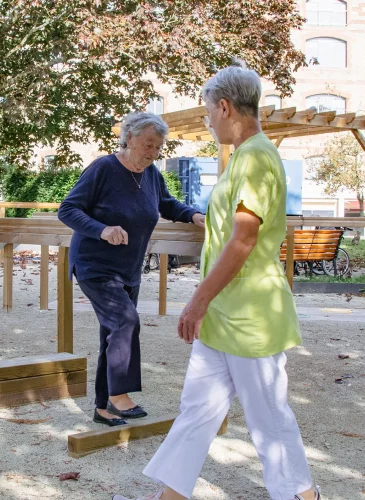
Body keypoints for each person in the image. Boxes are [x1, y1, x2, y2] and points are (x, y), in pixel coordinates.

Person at [113, 66, 320, 500]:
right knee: (197, 411)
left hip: (250, 314)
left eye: (209, 112)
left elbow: (244, 240)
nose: (208, 121)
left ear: (225, 107)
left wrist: (196, 302)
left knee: (268, 418)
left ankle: (303, 497)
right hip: (224, 311)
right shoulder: (243, 157)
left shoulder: (259, 158)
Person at [58, 112, 206, 427]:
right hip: (95, 266)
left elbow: (167, 204)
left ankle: (103, 408)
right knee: (125, 322)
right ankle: (118, 395)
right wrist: (102, 229)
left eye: (158, 148)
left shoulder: (152, 174)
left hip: (129, 269)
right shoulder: (103, 169)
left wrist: (193, 215)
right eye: (148, 145)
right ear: (129, 137)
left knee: (113, 334)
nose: (153, 153)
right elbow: (68, 209)